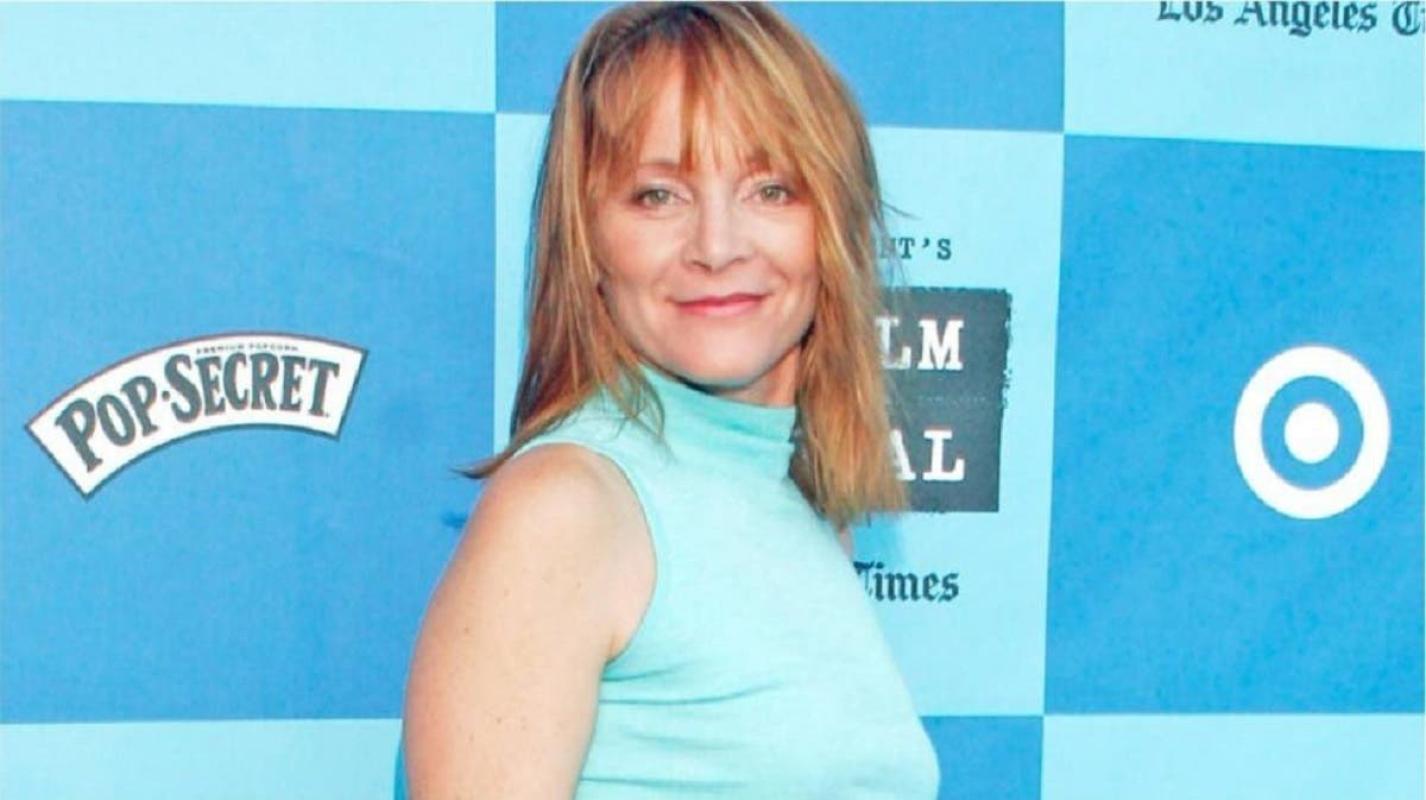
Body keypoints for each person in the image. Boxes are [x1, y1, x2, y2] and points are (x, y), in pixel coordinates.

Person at [397, 2, 940, 797]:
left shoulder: (805, 504)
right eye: (658, 196)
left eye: (771, 189)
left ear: (836, 225)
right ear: (588, 239)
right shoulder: (566, 507)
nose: (717, 246)